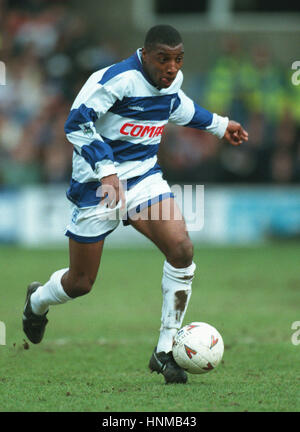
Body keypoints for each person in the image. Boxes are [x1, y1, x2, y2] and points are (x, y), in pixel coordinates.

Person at [23, 25, 248, 384]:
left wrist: (221, 126)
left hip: (143, 180)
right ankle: (37, 301)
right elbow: (76, 123)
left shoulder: (171, 81)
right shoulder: (116, 80)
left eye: (178, 59)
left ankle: (164, 350)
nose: (172, 67)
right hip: (97, 185)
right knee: (81, 282)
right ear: (145, 54)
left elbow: (176, 106)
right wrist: (107, 171)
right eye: (164, 59)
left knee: (181, 249)